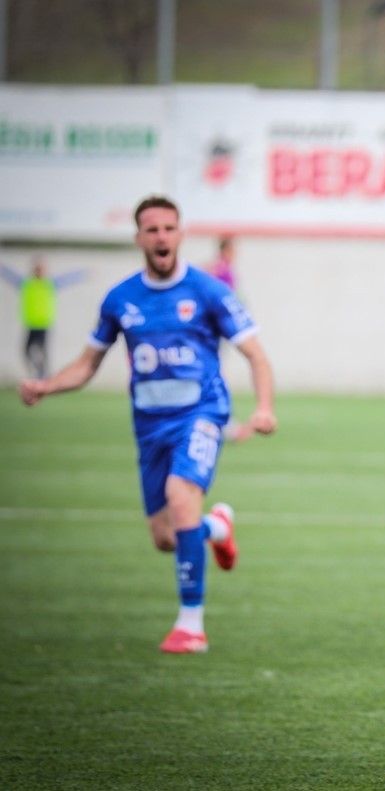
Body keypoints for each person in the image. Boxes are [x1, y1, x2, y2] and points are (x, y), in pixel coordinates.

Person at [18, 196, 277, 655]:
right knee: (166, 537)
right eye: (152, 229)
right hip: (150, 426)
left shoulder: (208, 291)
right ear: (139, 238)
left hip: (201, 414)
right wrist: (47, 385)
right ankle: (217, 528)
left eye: (169, 228)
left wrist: (264, 407)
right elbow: (88, 364)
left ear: (180, 235)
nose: (161, 237)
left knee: (181, 496)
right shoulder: (120, 299)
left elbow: (255, 353)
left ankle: (191, 625)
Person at [1, 255, 85, 378]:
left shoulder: (49, 284)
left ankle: (44, 375)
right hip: (31, 324)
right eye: (38, 269)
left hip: (44, 324)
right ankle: (39, 372)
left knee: (42, 351)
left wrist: (83, 273)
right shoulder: (27, 284)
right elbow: (11, 276)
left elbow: (67, 278)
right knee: (27, 351)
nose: (40, 271)